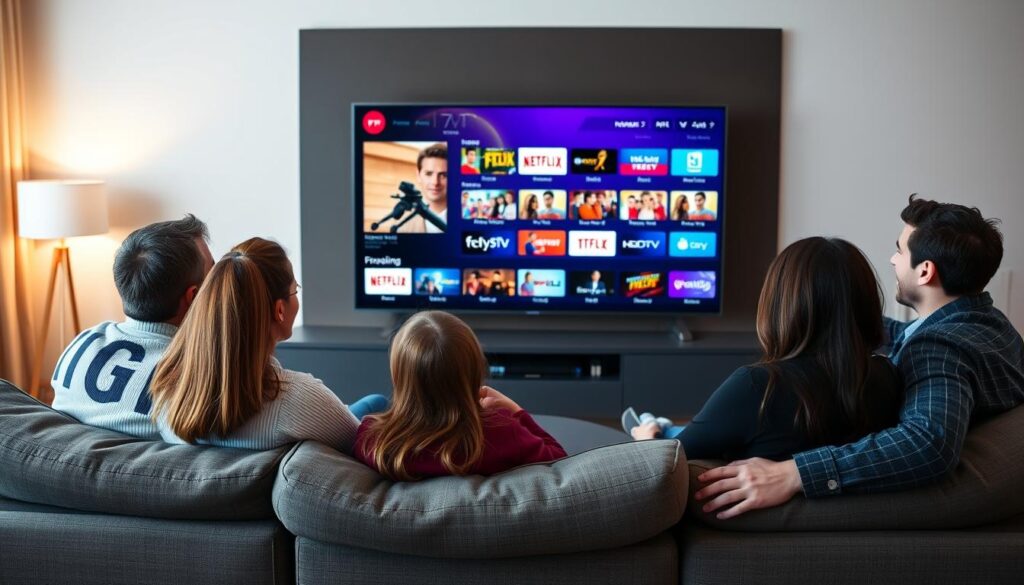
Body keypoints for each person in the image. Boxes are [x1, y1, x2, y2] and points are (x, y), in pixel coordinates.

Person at [696, 196, 1024, 519]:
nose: (893, 260)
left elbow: (929, 442)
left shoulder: (936, 349)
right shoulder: (992, 326)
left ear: (925, 271)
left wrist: (795, 473)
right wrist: (834, 308)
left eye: (899, 250)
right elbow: (903, 332)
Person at [624, 237, 904, 466]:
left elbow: (660, 464)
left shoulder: (758, 386)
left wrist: (646, 440)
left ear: (782, 305)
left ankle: (654, 427)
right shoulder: (888, 378)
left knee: (659, 434)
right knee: (680, 430)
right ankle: (666, 427)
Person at [149, 238, 388, 451]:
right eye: (295, 290)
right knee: (378, 403)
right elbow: (361, 449)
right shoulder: (296, 398)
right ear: (279, 310)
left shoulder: (168, 386)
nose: (297, 297)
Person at [51, 215, 215, 439]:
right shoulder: (193, 377)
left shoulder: (79, 347)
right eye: (214, 275)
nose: (219, 285)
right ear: (193, 296)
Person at [354, 311, 566, 480]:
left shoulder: (371, 439)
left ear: (397, 376)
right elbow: (560, 464)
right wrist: (515, 410)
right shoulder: (503, 432)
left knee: (374, 402)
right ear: (476, 372)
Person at [397, 143, 448, 234]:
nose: (435, 182)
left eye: (443, 175)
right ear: (418, 176)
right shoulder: (401, 226)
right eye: (428, 174)